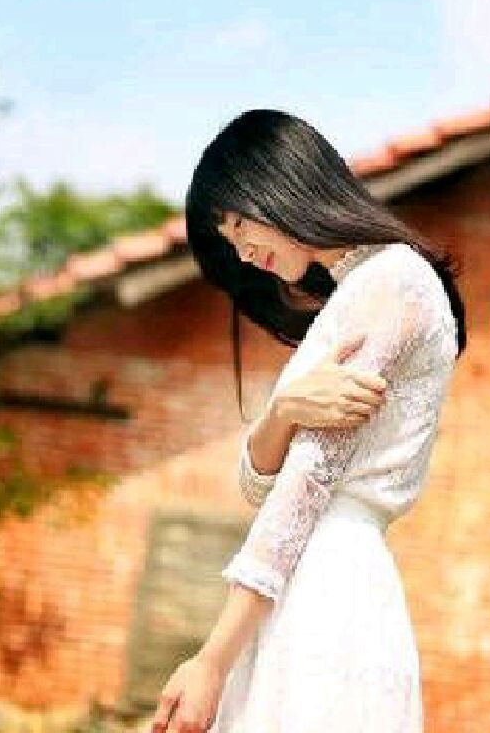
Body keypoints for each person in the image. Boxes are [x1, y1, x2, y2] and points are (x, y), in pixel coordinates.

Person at [150, 108, 466, 733]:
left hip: (326, 586)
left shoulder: (394, 281)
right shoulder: (355, 294)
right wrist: (284, 409)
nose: (241, 252)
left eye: (239, 224)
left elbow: (306, 483)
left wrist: (212, 660)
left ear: (281, 184)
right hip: (297, 583)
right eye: (228, 240)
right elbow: (256, 485)